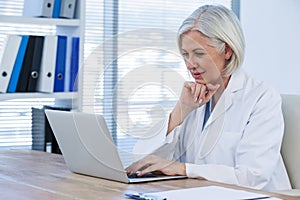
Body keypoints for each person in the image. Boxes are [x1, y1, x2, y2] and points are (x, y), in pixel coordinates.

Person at [125, 4, 291, 191]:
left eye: (199, 53)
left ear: (227, 51)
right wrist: (181, 110)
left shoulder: (261, 97)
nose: (190, 64)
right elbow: (141, 160)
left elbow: (251, 177)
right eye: (185, 55)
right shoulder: (194, 97)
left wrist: (182, 169)